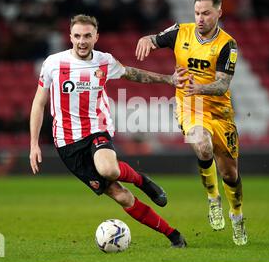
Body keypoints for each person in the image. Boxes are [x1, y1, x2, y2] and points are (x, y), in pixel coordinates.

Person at [29, 14, 187, 248]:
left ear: (96, 37)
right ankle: (172, 233)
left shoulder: (105, 61)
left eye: (87, 36)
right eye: (78, 36)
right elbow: (38, 103)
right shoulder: (53, 63)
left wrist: (168, 79)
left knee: (108, 169)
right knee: (121, 195)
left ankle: (142, 182)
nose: (82, 41)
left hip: (96, 129)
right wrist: (33, 144)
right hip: (67, 143)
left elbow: (133, 74)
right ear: (70, 36)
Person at [135, 0, 247, 245]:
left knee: (230, 173)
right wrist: (146, 40)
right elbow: (155, 39)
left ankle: (238, 216)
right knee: (202, 145)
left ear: (219, 12)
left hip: (220, 111)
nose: (200, 18)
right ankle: (212, 199)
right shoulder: (180, 32)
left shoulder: (227, 45)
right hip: (189, 105)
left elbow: (222, 85)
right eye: (197, 12)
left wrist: (200, 87)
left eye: (206, 13)